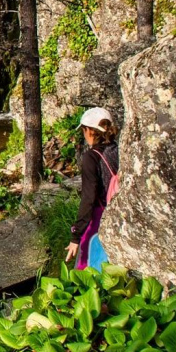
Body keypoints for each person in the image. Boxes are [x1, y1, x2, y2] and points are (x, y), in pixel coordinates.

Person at [65, 106, 120, 270]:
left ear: (89, 131)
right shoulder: (118, 149)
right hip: (118, 212)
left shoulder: (91, 157)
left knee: (88, 266)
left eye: (84, 130)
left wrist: (76, 235)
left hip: (98, 217)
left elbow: (89, 198)